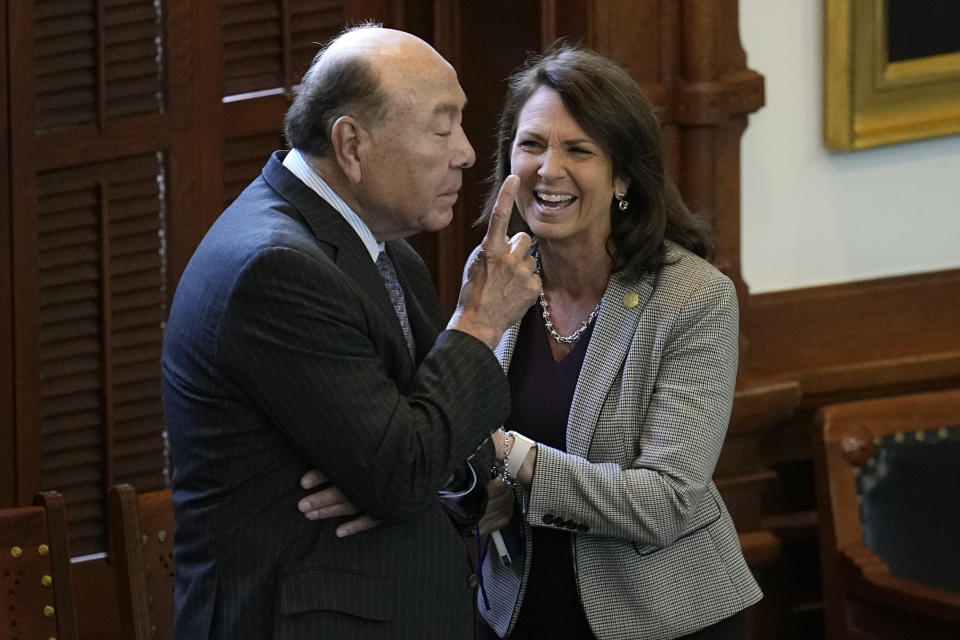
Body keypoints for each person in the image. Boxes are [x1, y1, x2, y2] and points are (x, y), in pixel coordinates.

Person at [161, 24, 539, 639]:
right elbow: (404, 468)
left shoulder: (379, 245)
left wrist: (411, 476)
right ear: (351, 144)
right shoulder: (276, 267)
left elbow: (441, 449)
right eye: (442, 128)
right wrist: (481, 319)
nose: (467, 152)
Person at [468, 43, 763, 639]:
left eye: (578, 150)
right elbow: (460, 431)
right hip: (514, 610)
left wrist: (512, 457)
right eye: (531, 146)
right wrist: (474, 493)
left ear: (623, 175)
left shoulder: (693, 297)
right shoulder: (496, 274)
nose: (548, 170)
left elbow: (665, 502)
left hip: (662, 618)